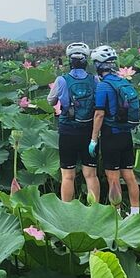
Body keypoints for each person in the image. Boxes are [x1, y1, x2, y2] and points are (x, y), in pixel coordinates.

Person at [89, 45, 140, 215]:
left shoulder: (103, 86)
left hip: (111, 135)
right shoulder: (123, 82)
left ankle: (116, 214)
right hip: (126, 135)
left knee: (113, 177)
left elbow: (99, 114)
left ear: (98, 65)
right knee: (129, 175)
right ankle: (135, 213)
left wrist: (93, 139)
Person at [48, 42, 100, 202]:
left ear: (69, 61)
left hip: (67, 131)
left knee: (68, 175)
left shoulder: (61, 80)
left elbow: (51, 101)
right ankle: (95, 209)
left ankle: (66, 209)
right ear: (86, 61)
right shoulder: (94, 80)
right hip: (89, 131)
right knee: (91, 175)